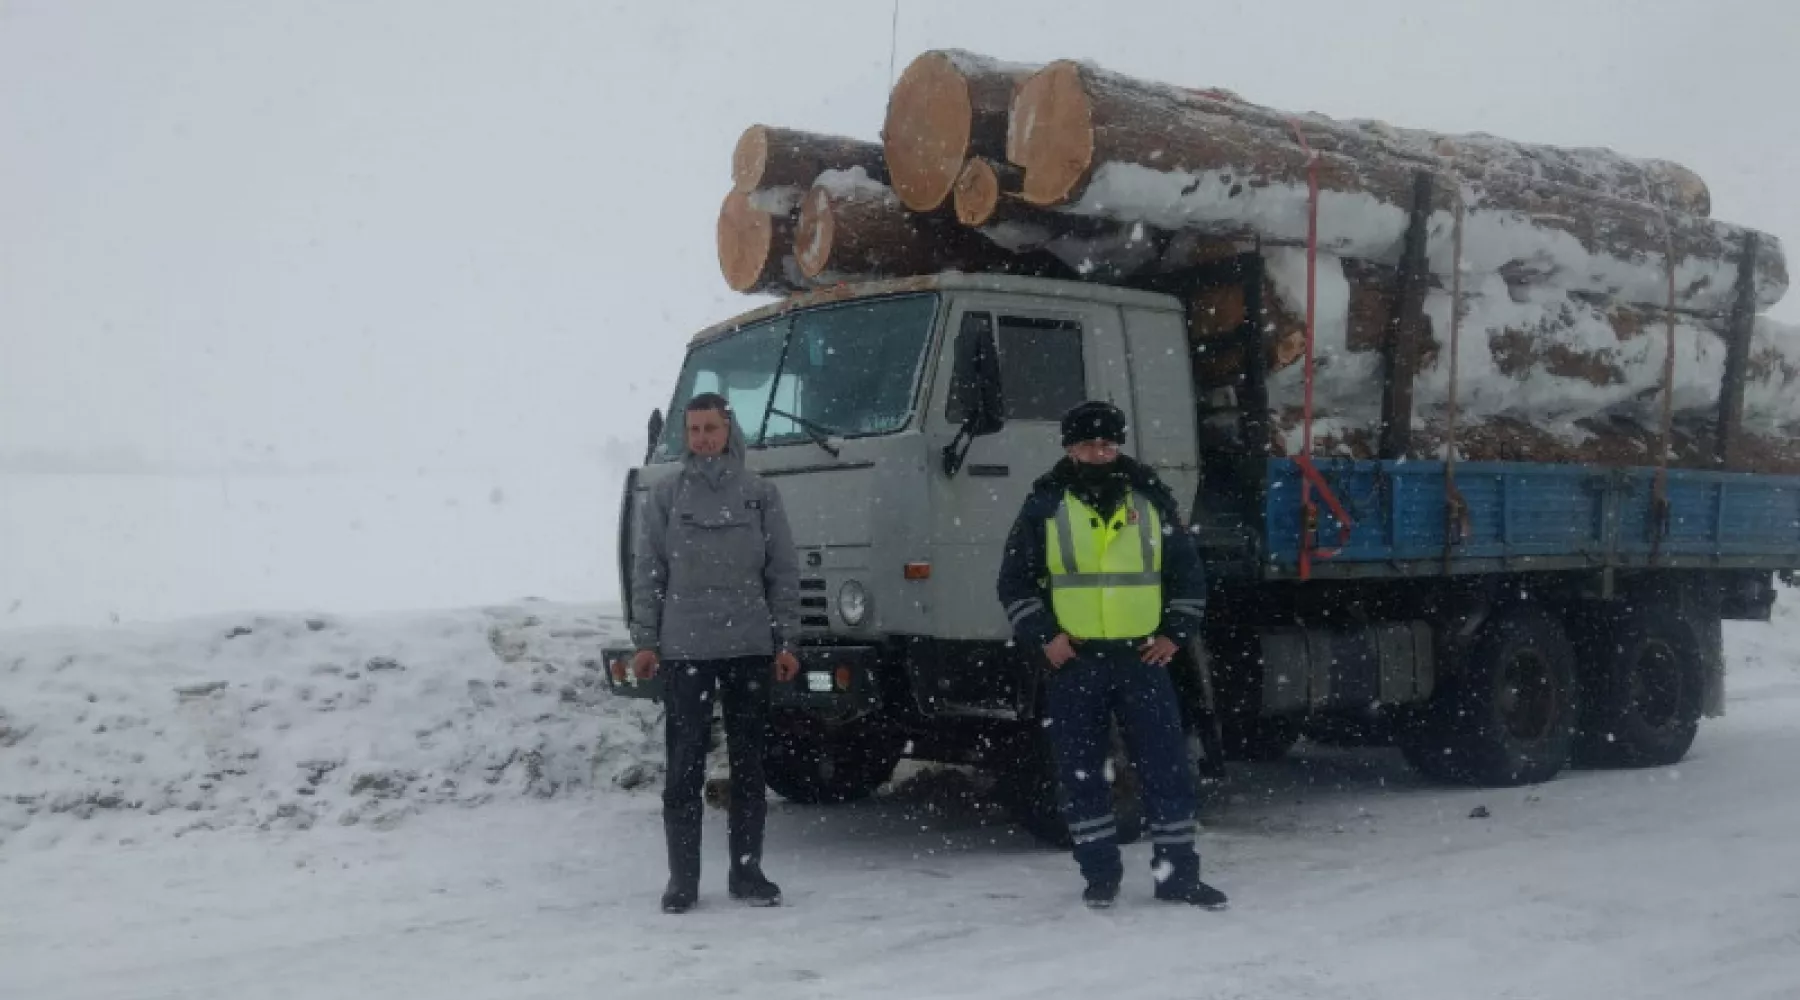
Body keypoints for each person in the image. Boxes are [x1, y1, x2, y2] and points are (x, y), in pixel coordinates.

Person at [996, 400, 1228, 911]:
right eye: (1088, 444)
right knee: (1081, 773)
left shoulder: (1150, 499)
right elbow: (1013, 582)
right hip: (1075, 663)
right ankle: (1099, 875)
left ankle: (1177, 877)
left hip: (1142, 661)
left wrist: (1176, 632)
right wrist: (1045, 637)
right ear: (1070, 448)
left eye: (1108, 443)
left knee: (1167, 769)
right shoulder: (1045, 504)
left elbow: (1187, 574)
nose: (1100, 453)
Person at [629, 392, 801, 914]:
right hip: (686, 650)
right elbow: (650, 572)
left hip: (748, 647)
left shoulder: (759, 494)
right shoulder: (666, 495)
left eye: (712, 428)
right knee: (683, 766)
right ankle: (683, 880)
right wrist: (646, 641)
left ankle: (747, 873)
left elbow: (782, 571)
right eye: (695, 429)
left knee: (750, 765)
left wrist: (786, 640)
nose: (703, 438)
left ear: (730, 430)